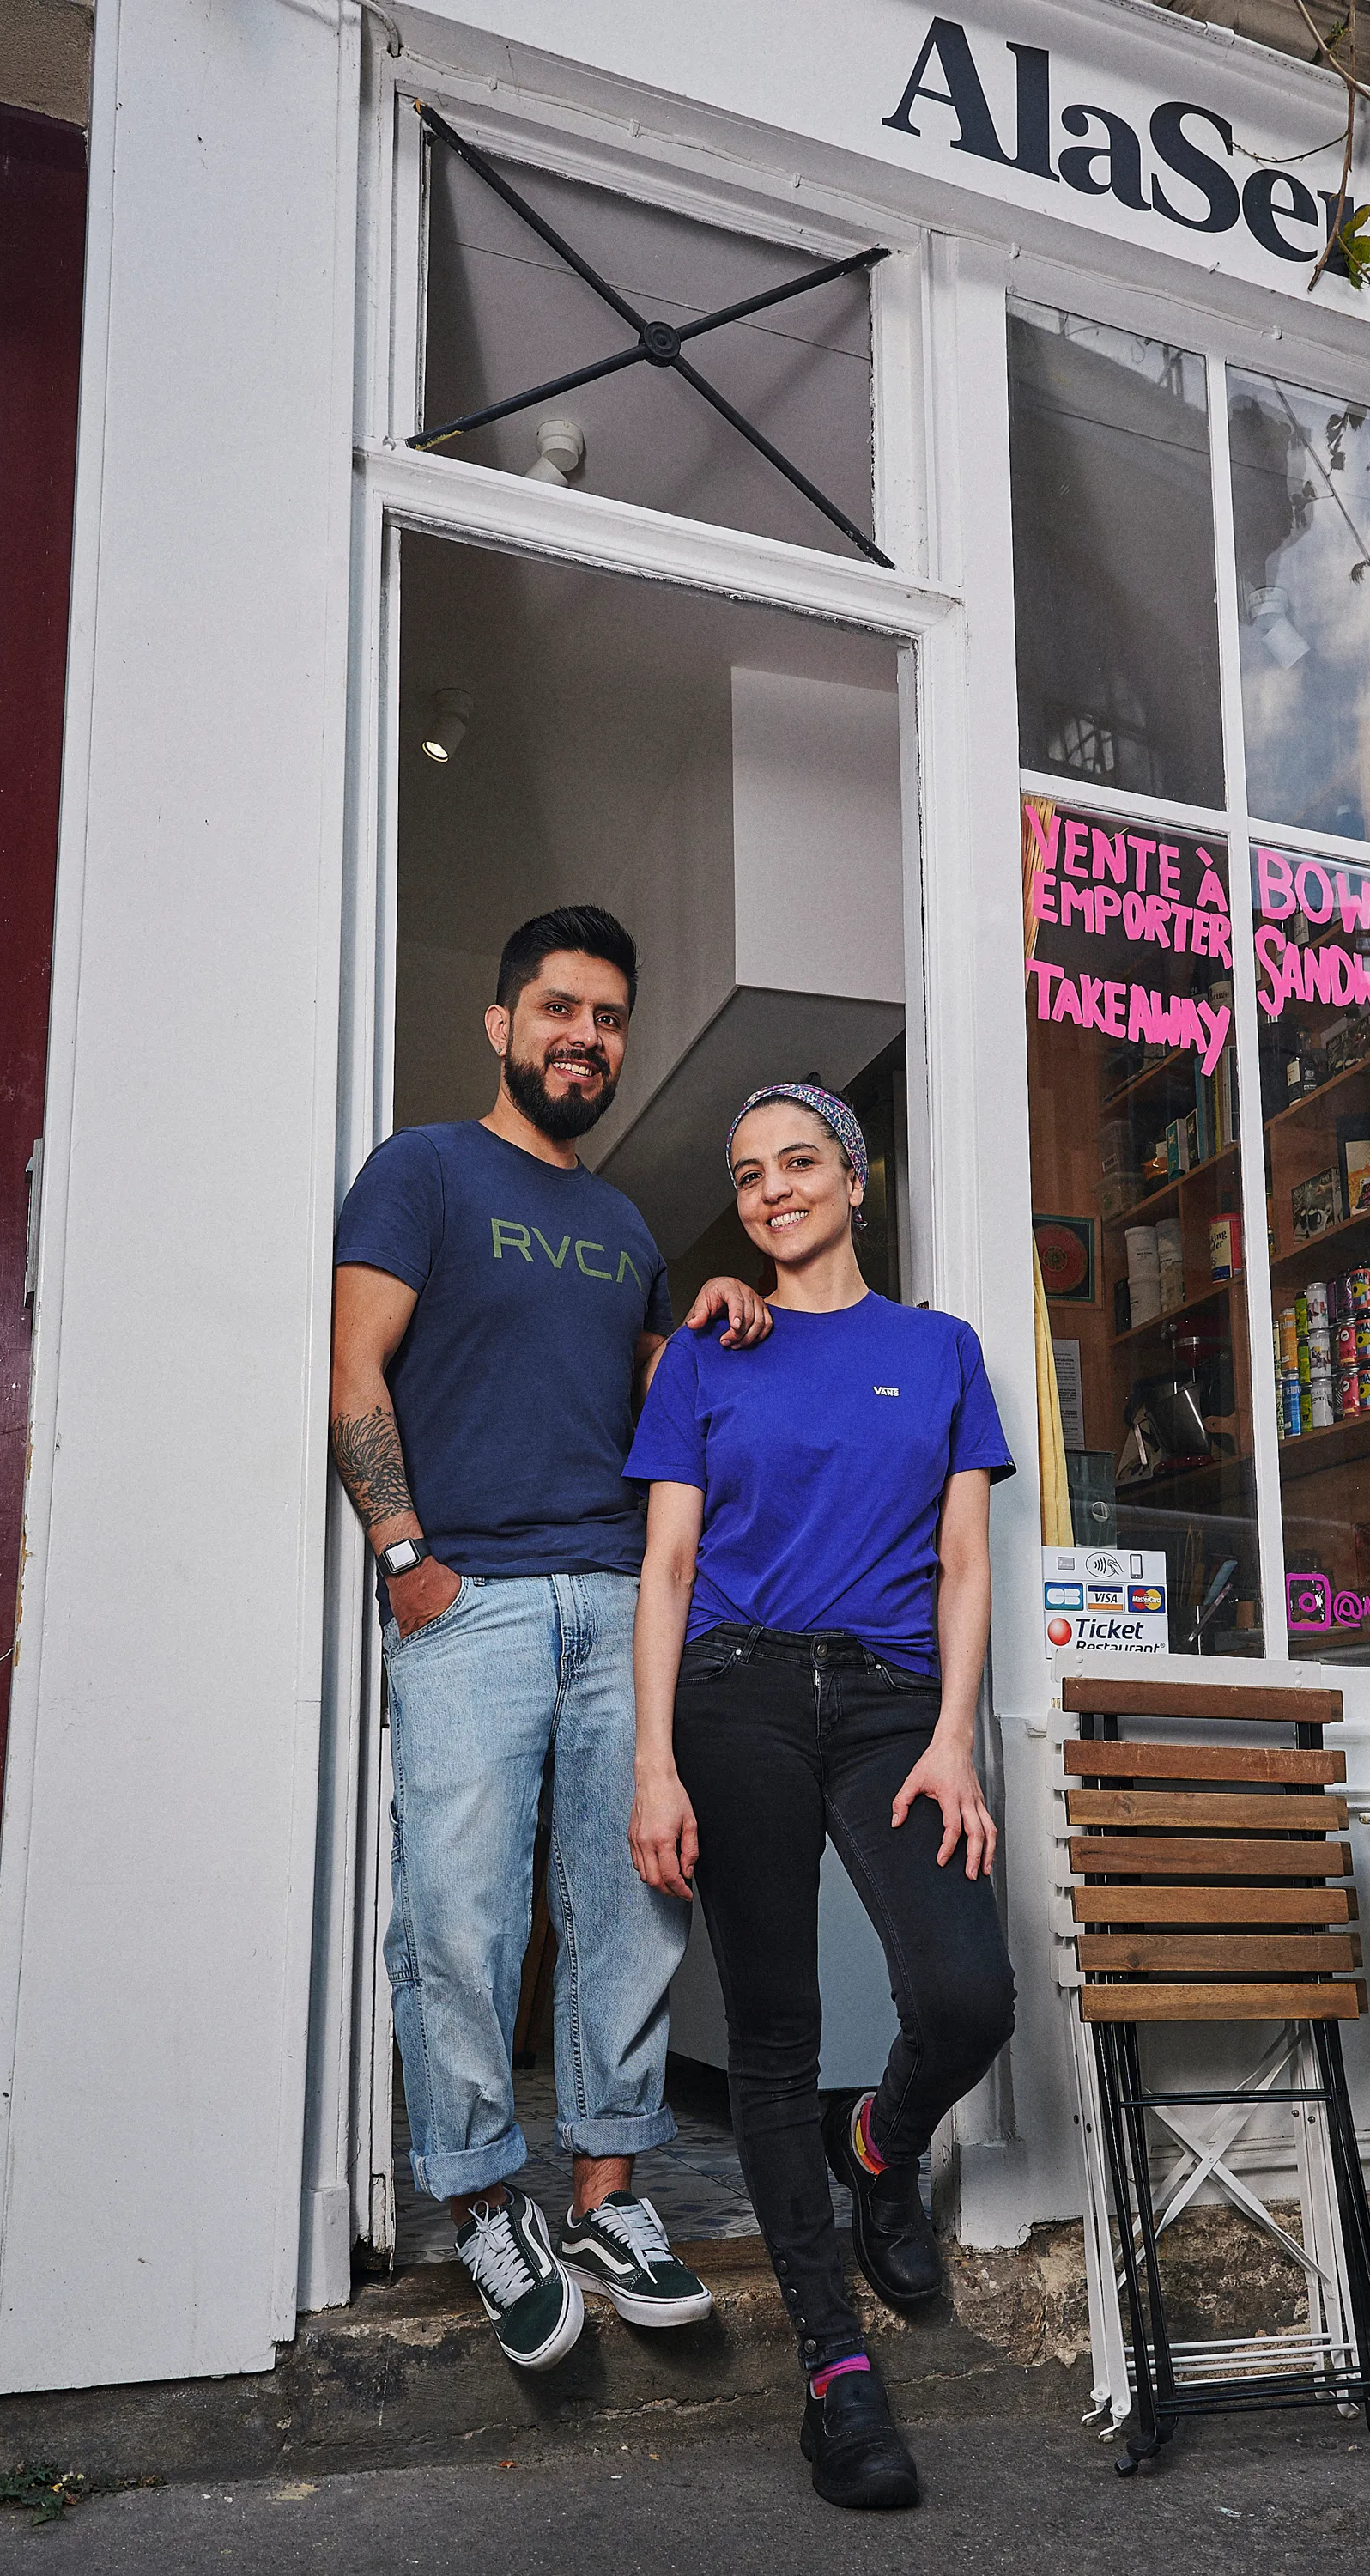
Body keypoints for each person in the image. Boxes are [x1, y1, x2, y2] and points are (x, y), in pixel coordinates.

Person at [329, 905, 773, 2373]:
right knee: (458, 1918)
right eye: (563, 1009)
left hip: (619, 1605)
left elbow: (655, 1402)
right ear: (503, 1024)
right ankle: (478, 2195)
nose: (588, 1037)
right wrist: (406, 1559)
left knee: (631, 1905)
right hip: (476, 1601)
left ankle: (605, 2197)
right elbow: (353, 1373)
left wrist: (701, 1321)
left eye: (608, 1018)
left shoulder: (628, 1225)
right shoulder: (422, 1169)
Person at [624, 1083, 1018, 2510]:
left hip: (889, 1704)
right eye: (748, 1175)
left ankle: (885, 2141)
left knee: (969, 1996)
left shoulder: (941, 1350)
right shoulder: (709, 1350)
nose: (774, 1188)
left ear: (856, 1177)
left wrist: (954, 1736)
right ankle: (835, 2374)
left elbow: (966, 1562)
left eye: (800, 1162)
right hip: (732, 1694)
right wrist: (653, 1756)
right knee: (774, 2039)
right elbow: (667, 1568)